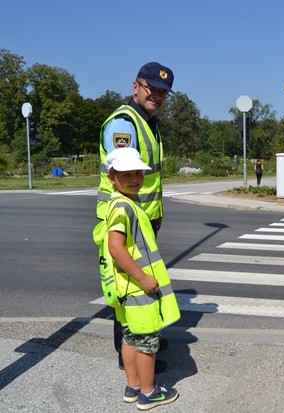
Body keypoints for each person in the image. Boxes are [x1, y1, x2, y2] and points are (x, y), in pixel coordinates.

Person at [96, 62, 173, 372]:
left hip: (143, 217)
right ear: (136, 86)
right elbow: (125, 173)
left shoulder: (147, 121)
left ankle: (144, 339)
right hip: (123, 218)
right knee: (129, 288)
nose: (157, 94)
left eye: (163, 92)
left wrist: (156, 215)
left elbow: (149, 178)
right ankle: (131, 357)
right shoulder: (124, 124)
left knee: (140, 290)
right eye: (151, 88)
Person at [98, 147, 180, 410]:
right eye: (126, 174)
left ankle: (133, 386)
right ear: (112, 177)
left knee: (130, 338)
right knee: (147, 341)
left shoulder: (118, 203)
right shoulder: (123, 208)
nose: (135, 178)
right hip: (137, 288)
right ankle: (149, 392)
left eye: (138, 173)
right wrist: (143, 277)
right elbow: (115, 247)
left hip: (125, 289)